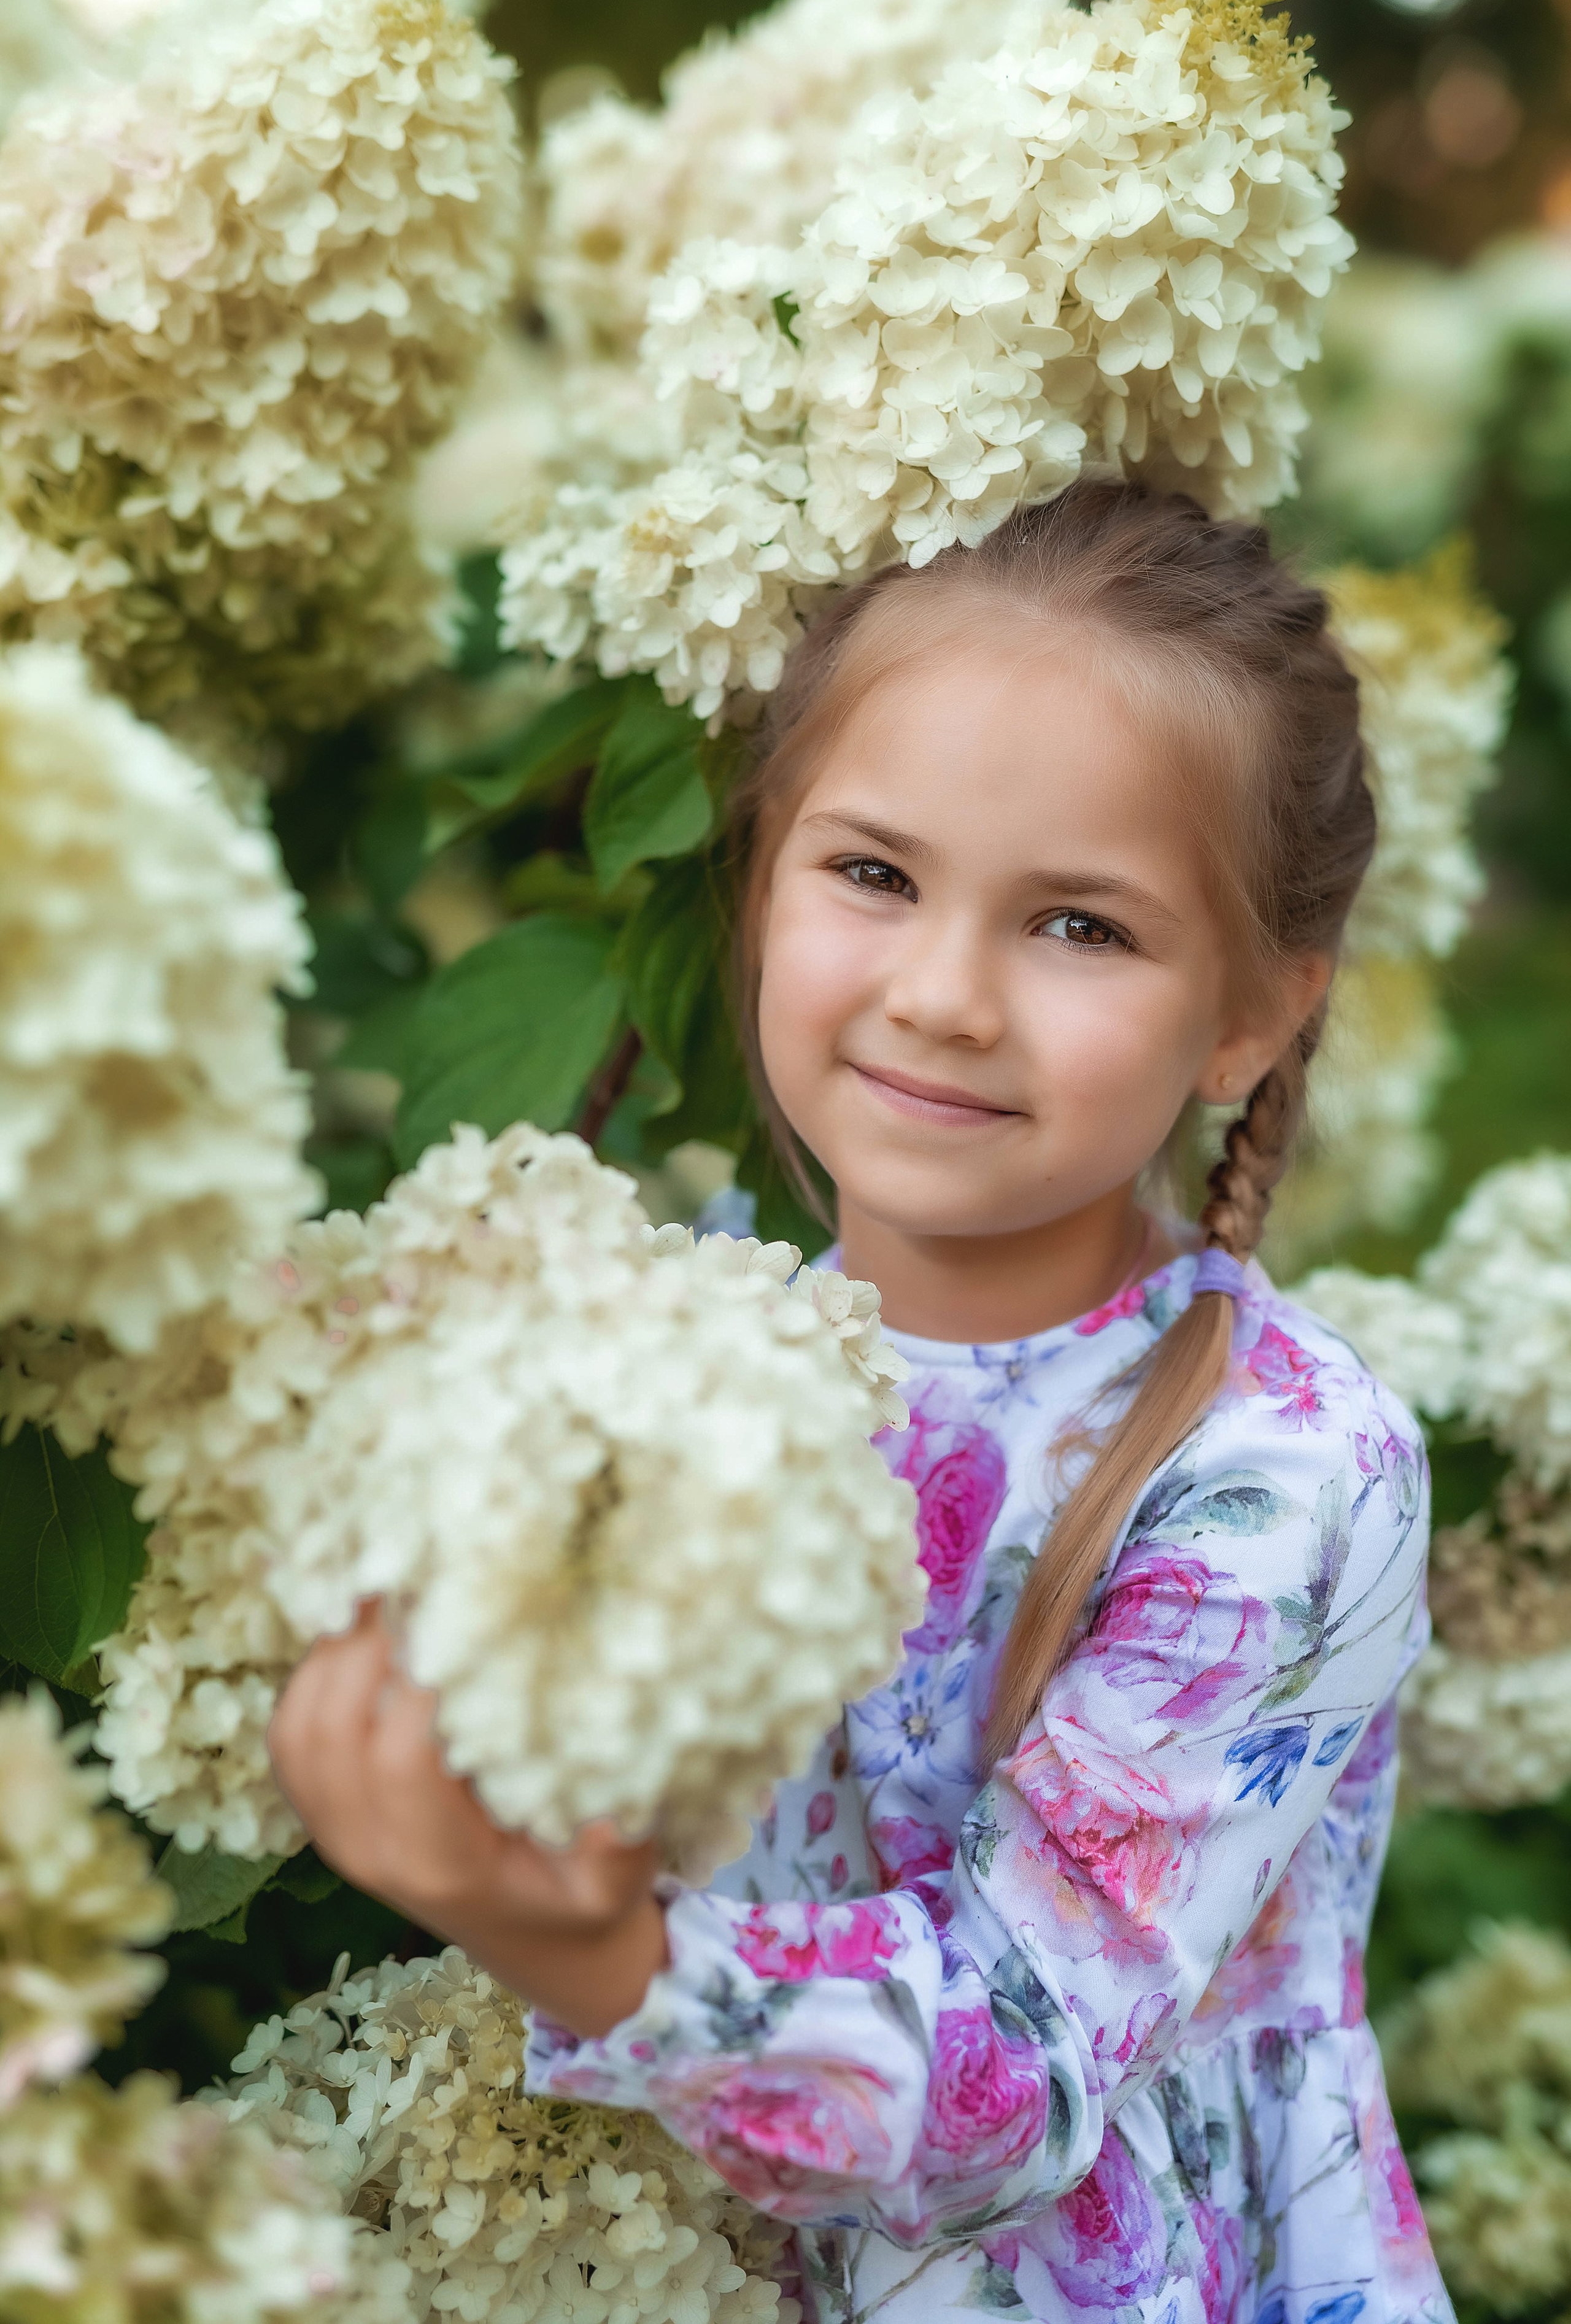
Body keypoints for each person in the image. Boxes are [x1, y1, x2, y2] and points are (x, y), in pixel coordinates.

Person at [269, 479, 1454, 2322]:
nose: (945, 994)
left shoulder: (1278, 1467)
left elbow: (1020, 2073)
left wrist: (573, 1945)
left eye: (1081, 926)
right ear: (760, 880)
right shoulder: (683, 1308)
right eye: (876, 873)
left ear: (1254, 1015)